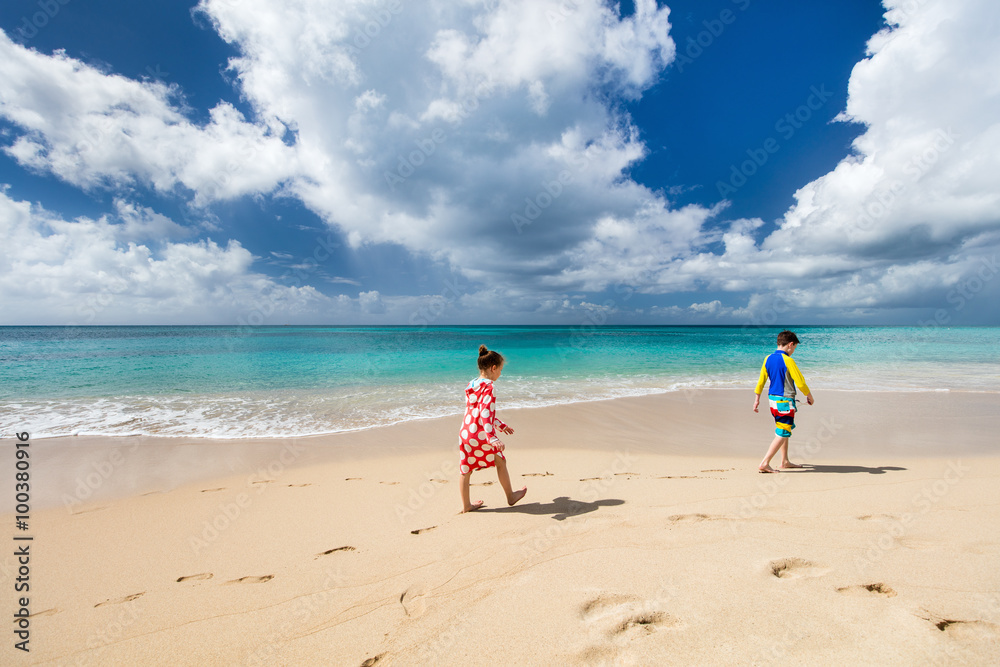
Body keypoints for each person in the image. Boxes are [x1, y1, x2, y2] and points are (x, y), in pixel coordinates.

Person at [459, 345, 528, 512]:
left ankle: (466, 506)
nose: (500, 374)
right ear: (493, 368)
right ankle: (510, 496)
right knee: (501, 462)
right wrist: (492, 436)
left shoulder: (471, 384)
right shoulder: (489, 386)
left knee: (465, 469)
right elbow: (484, 411)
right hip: (482, 433)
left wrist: (500, 425)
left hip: (466, 431)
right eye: (501, 370)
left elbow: (477, 411)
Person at [752, 330, 815, 473]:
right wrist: (809, 396)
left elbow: (761, 381)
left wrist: (757, 399)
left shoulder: (768, 358)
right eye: (794, 348)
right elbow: (800, 382)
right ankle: (764, 463)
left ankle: (785, 461)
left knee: (783, 429)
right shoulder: (788, 360)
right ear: (790, 345)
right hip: (784, 401)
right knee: (783, 433)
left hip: (772, 401)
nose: (793, 351)